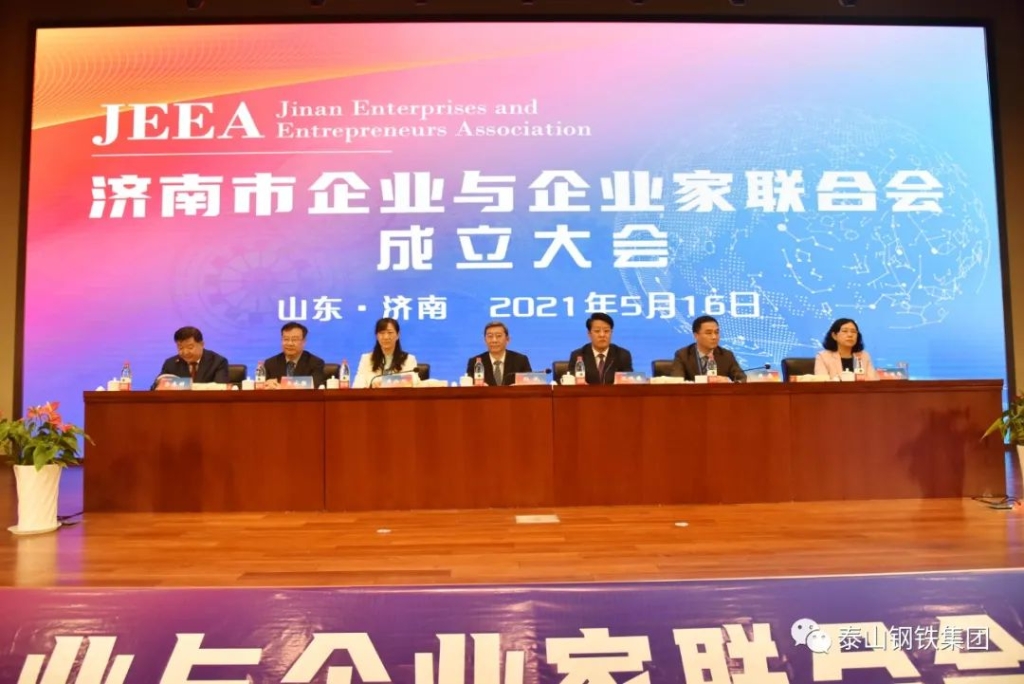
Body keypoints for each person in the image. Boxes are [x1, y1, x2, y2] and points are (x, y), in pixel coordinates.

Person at [671, 315, 746, 382]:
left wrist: (728, 381)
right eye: (709, 333)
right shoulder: (683, 355)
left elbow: (742, 379)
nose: (714, 337)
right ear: (696, 336)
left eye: (716, 332)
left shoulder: (727, 355)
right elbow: (677, 382)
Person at [565, 312, 634, 385]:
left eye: (606, 331)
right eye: (597, 331)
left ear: (611, 333)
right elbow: (571, 383)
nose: (602, 335)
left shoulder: (623, 355)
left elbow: (629, 385)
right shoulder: (577, 355)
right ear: (589, 334)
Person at [152, 326, 229, 389]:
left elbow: (221, 389)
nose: (185, 352)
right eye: (180, 348)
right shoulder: (170, 363)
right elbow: (155, 388)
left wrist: (186, 386)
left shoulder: (218, 362)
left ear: (202, 344)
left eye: (190, 347)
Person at [352, 317, 419, 388]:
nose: (386, 337)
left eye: (390, 333)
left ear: (398, 335)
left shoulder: (409, 359)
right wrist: (371, 386)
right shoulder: (366, 359)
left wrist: (384, 383)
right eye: (382, 333)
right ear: (377, 336)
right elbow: (357, 385)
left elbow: (414, 381)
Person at [465, 321, 533, 385]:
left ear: (507, 339)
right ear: (485, 340)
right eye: (490, 336)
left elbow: (530, 386)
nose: (494, 340)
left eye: (498, 336)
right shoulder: (475, 362)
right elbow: (468, 388)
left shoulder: (520, 360)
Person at [263, 322, 326, 388]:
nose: (290, 343)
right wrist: (267, 384)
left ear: (304, 341)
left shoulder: (315, 363)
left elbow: (315, 385)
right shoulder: (270, 364)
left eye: (294, 339)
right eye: (286, 339)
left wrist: (282, 387)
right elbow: (262, 387)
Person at [814, 318, 878, 380]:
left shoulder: (864, 356)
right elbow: (822, 382)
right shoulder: (823, 356)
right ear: (834, 336)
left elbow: (872, 380)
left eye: (853, 332)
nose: (850, 335)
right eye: (845, 331)